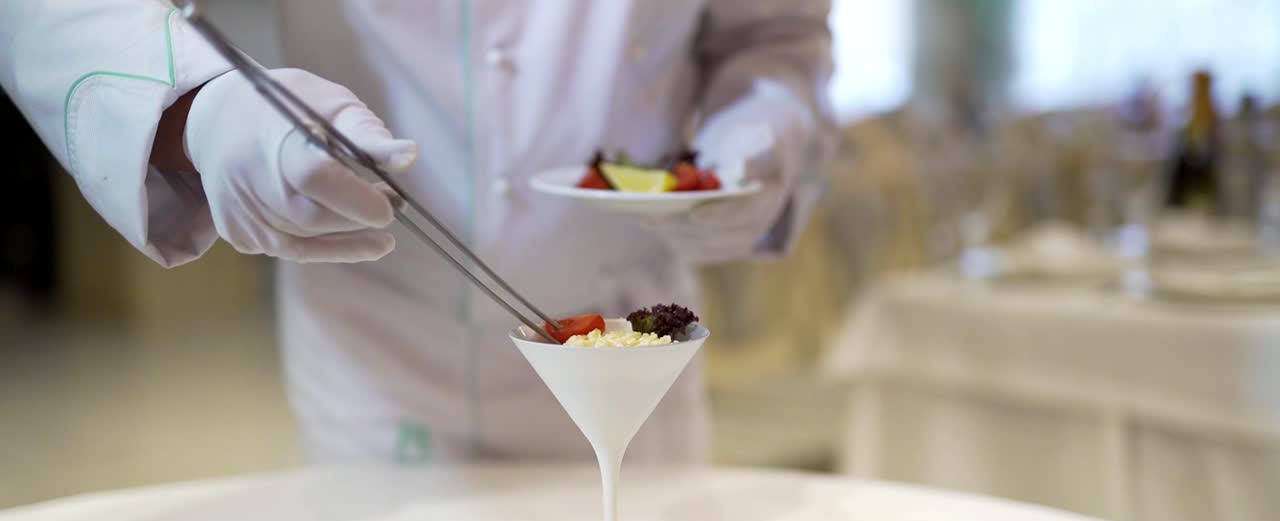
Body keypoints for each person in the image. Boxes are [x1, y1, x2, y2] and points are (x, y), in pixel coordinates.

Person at [0, 0, 835, 464]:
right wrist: (201, 110)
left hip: (633, 361)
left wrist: (760, 124)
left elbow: (771, 34)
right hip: (380, 356)